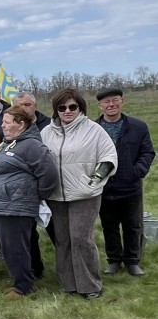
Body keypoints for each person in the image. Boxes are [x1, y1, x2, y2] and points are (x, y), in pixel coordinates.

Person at [41, 89, 117, 300]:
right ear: (56, 109)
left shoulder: (94, 130)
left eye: (72, 106)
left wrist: (95, 178)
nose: (67, 111)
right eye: (62, 107)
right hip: (57, 196)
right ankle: (69, 283)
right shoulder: (47, 132)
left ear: (80, 107)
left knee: (81, 238)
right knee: (63, 239)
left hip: (85, 194)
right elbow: (39, 158)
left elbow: (109, 156)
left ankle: (90, 285)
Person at [0, 106, 58, 298]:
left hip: (14, 208)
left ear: (21, 124)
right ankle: (19, 281)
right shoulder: (7, 144)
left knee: (16, 248)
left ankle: (24, 287)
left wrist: (31, 195)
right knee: (7, 248)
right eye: (3, 122)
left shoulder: (31, 146)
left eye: (7, 122)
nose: (3, 126)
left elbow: (49, 175)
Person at [95, 88, 155, 276]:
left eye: (115, 101)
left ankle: (132, 261)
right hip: (105, 186)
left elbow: (148, 152)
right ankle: (114, 260)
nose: (111, 105)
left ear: (122, 102)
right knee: (109, 225)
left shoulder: (138, 127)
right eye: (106, 102)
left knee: (133, 225)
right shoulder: (94, 129)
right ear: (100, 106)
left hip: (130, 186)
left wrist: (137, 171)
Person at [13, 92, 54, 278]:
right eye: (19, 105)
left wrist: (43, 190)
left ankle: (67, 268)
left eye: (27, 104)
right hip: (23, 190)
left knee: (56, 231)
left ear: (34, 106)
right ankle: (35, 269)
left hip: (48, 188)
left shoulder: (49, 125)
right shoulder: (10, 128)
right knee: (28, 234)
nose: (23, 109)